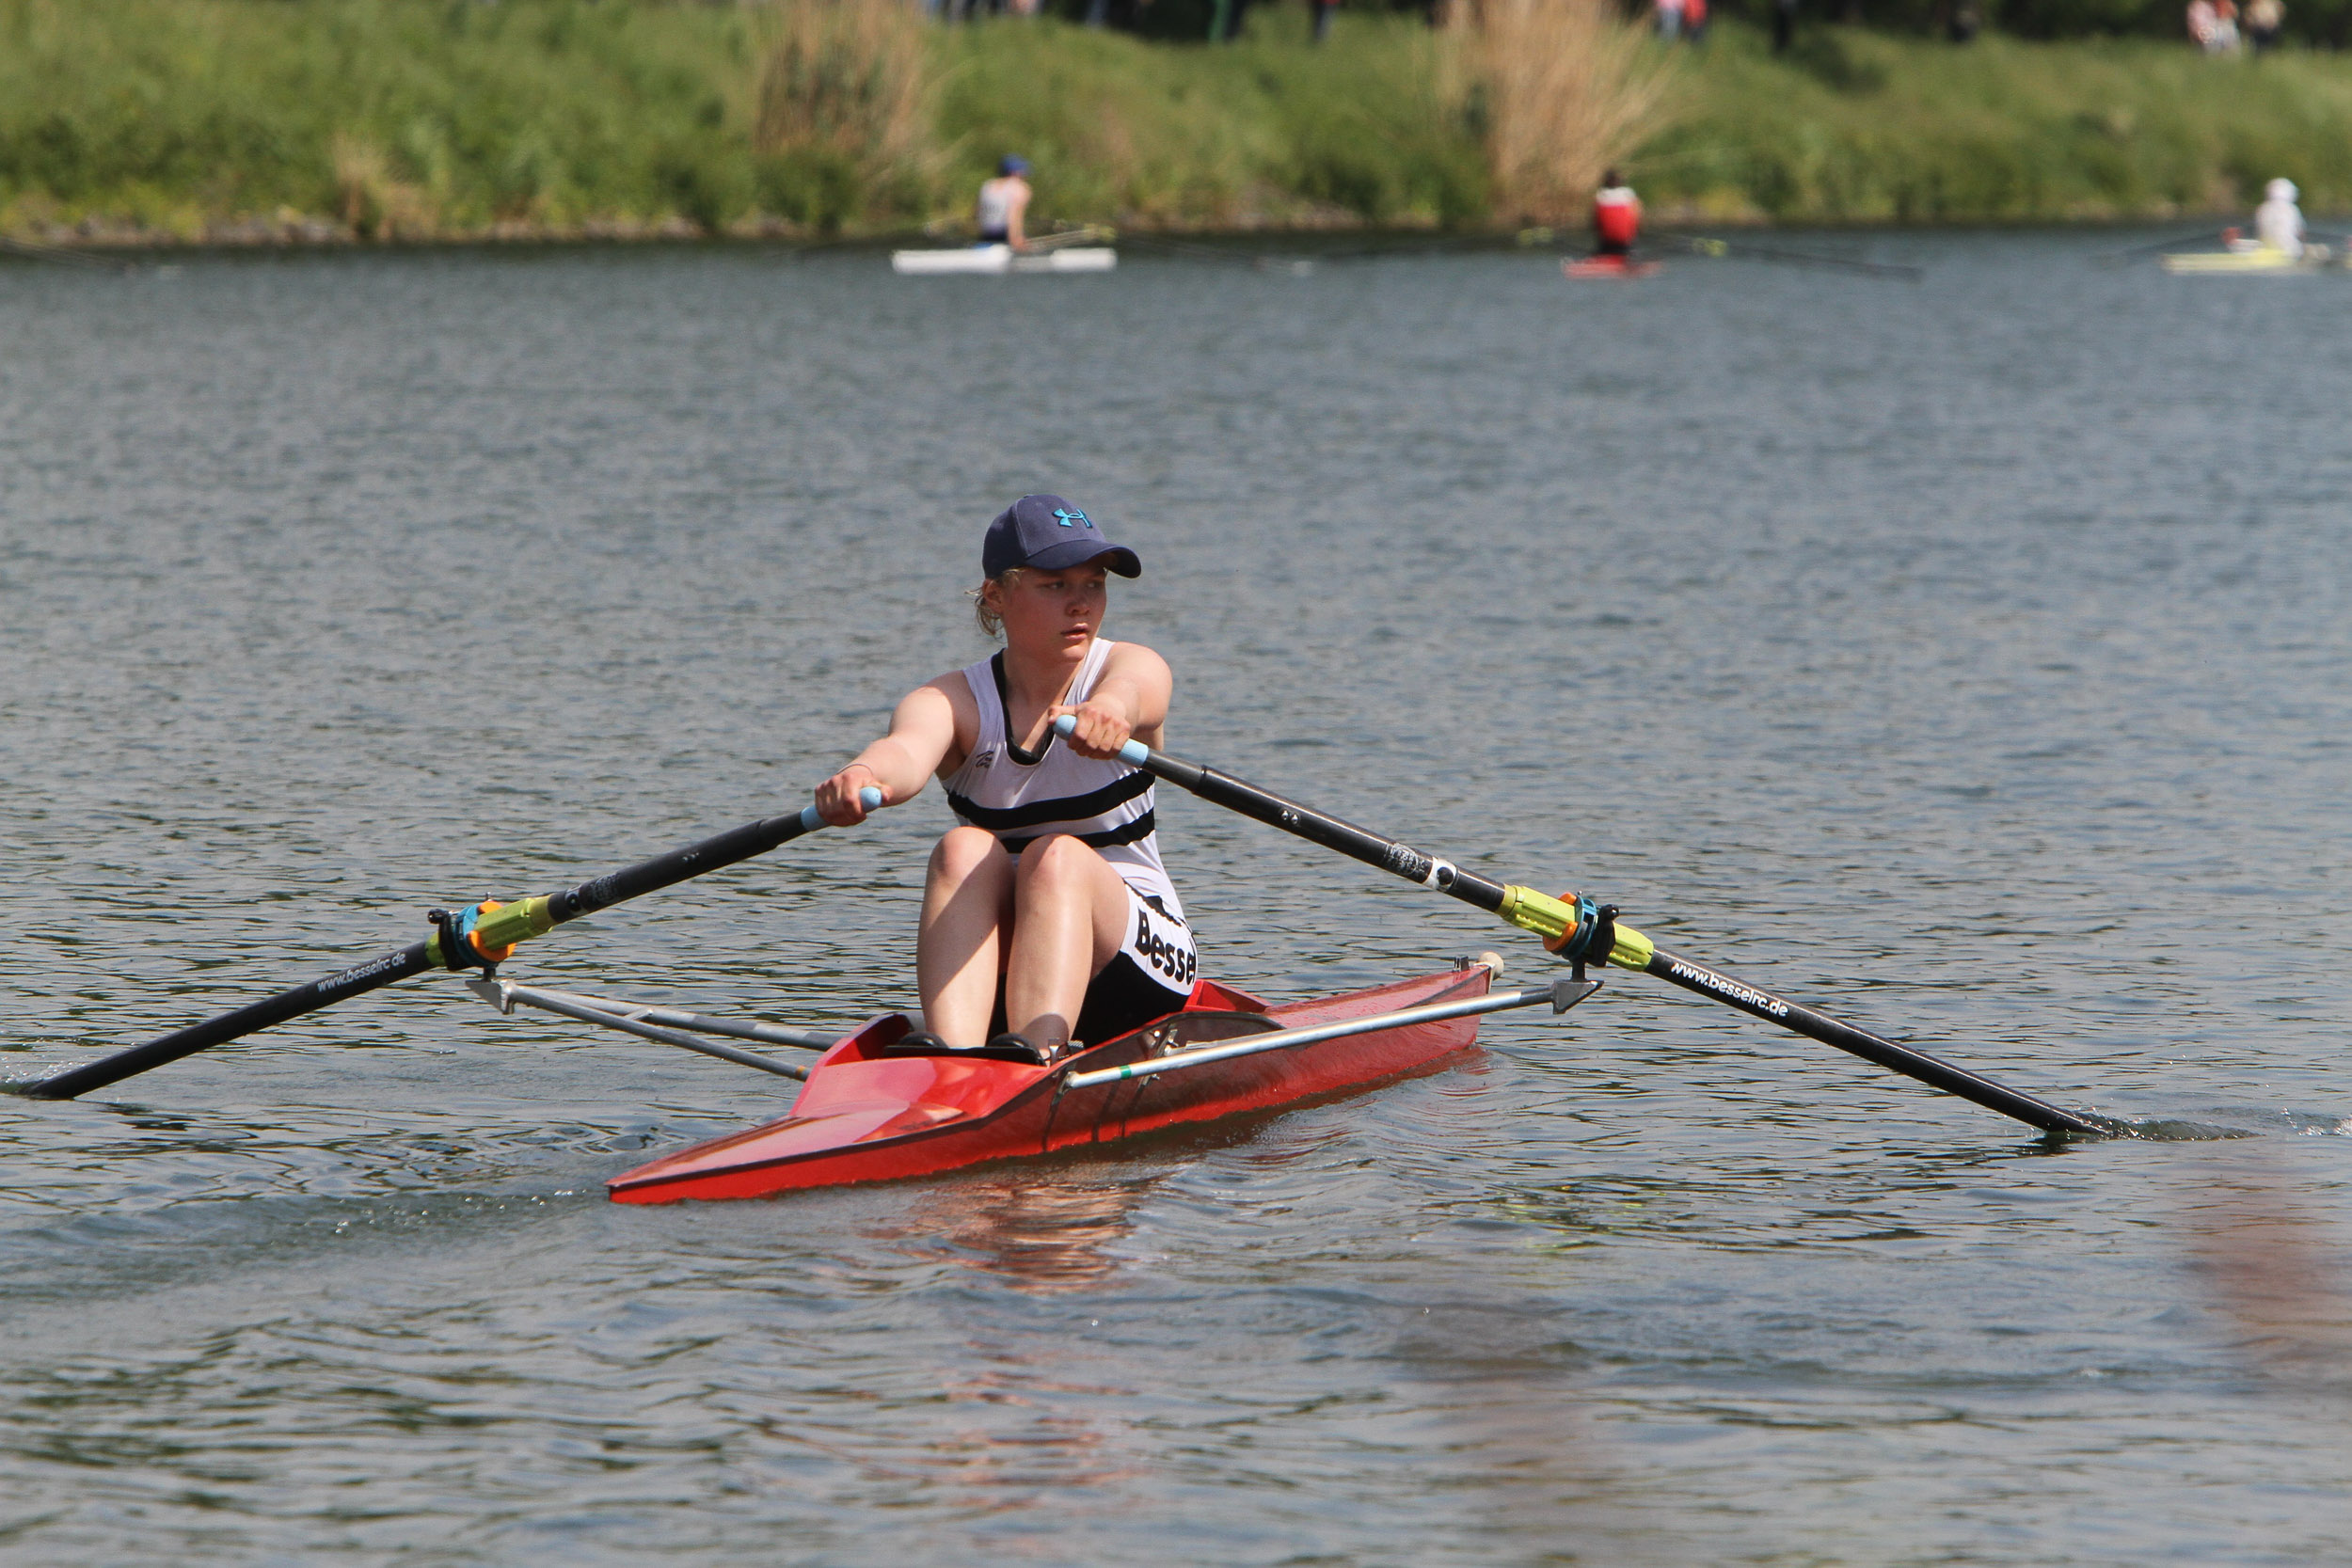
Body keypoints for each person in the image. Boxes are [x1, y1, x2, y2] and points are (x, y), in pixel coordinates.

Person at [812, 496, 1196, 1064]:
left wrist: (1111, 710)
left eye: (1093, 584)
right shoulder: (953, 700)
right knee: (963, 847)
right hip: (1008, 966)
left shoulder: (1126, 669)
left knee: (1054, 857)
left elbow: (1137, 689)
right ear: (997, 595)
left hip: (1140, 965)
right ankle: (959, 1061)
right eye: (1055, 586)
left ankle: (1035, 1058)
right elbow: (906, 752)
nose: (1081, 604)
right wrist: (862, 774)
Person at [977, 156, 1031, 250]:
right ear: (1016, 172)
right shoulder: (1019, 188)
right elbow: (1014, 216)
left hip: (986, 234)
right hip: (1006, 234)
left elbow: (977, 212)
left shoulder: (987, 186)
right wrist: (1016, 238)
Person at [1593, 170, 1642, 259]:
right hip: (1624, 238)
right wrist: (1639, 229)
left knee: (1604, 241)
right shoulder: (1628, 193)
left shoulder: (1600, 194)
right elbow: (1637, 214)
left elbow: (1596, 219)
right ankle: (1630, 255)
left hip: (1607, 238)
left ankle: (1603, 256)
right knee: (1630, 239)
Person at [2254, 177, 2305, 257]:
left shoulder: (2263, 208)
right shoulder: (2291, 209)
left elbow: (2260, 230)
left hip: (2266, 249)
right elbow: (2300, 233)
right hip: (2289, 251)